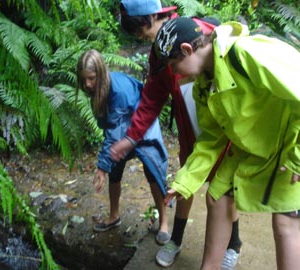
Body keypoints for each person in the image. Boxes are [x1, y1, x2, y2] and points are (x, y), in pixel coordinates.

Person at [154, 16, 300, 270]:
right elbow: (211, 139)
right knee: (217, 196)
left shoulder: (247, 53)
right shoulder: (202, 85)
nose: (174, 72)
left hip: (289, 143)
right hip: (250, 147)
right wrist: (184, 181)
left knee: (285, 223)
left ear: (188, 50)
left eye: (174, 64)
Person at [112, 0, 242, 268]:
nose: (139, 36)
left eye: (138, 29)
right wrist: (131, 137)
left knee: (225, 190)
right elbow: (152, 97)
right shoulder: (158, 54)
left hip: (224, 129)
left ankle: (234, 242)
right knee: (183, 183)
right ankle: (177, 238)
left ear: (151, 17)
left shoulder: (195, 35)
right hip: (190, 131)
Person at [76, 49, 171, 245]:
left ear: (101, 74)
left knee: (153, 171)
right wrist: (107, 165)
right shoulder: (98, 88)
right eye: (84, 79)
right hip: (122, 127)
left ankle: (164, 222)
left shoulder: (117, 90)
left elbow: (113, 134)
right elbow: (113, 130)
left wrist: (101, 167)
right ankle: (114, 216)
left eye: (92, 79)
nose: (87, 84)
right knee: (115, 169)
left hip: (143, 126)